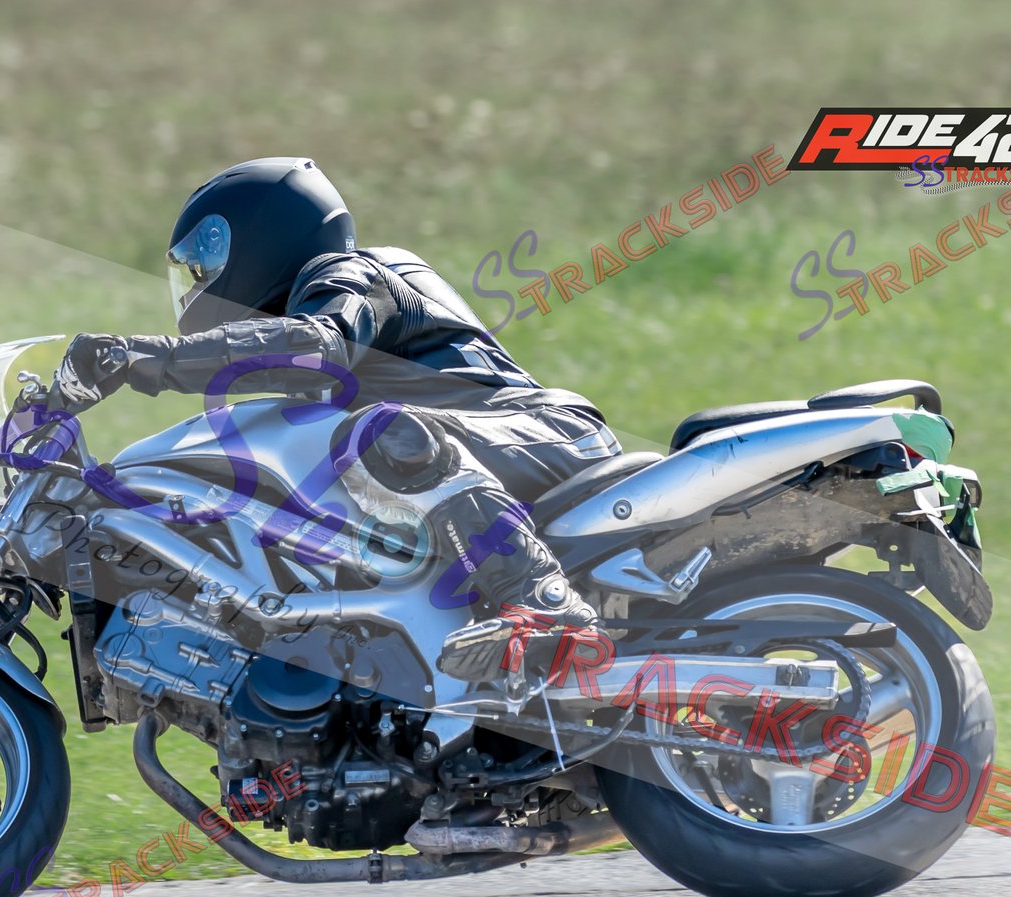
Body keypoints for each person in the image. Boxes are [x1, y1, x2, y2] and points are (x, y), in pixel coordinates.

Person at [49, 157, 620, 682]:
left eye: (209, 251)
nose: (197, 275)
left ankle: (544, 601)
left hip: (546, 432)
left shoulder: (354, 272)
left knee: (378, 432)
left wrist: (143, 358)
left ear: (267, 231)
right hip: (481, 458)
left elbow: (317, 345)